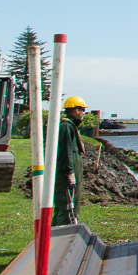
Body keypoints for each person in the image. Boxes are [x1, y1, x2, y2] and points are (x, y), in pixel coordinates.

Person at [54, 96, 88, 225]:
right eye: (83, 110)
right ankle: (64, 237)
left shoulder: (70, 126)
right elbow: (66, 151)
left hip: (70, 173)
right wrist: (70, 172)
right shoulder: (66, 127)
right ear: (76, 110)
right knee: (67, 208)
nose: (84, 113)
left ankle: (54, 235)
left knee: (68, 207)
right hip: (65, 175)